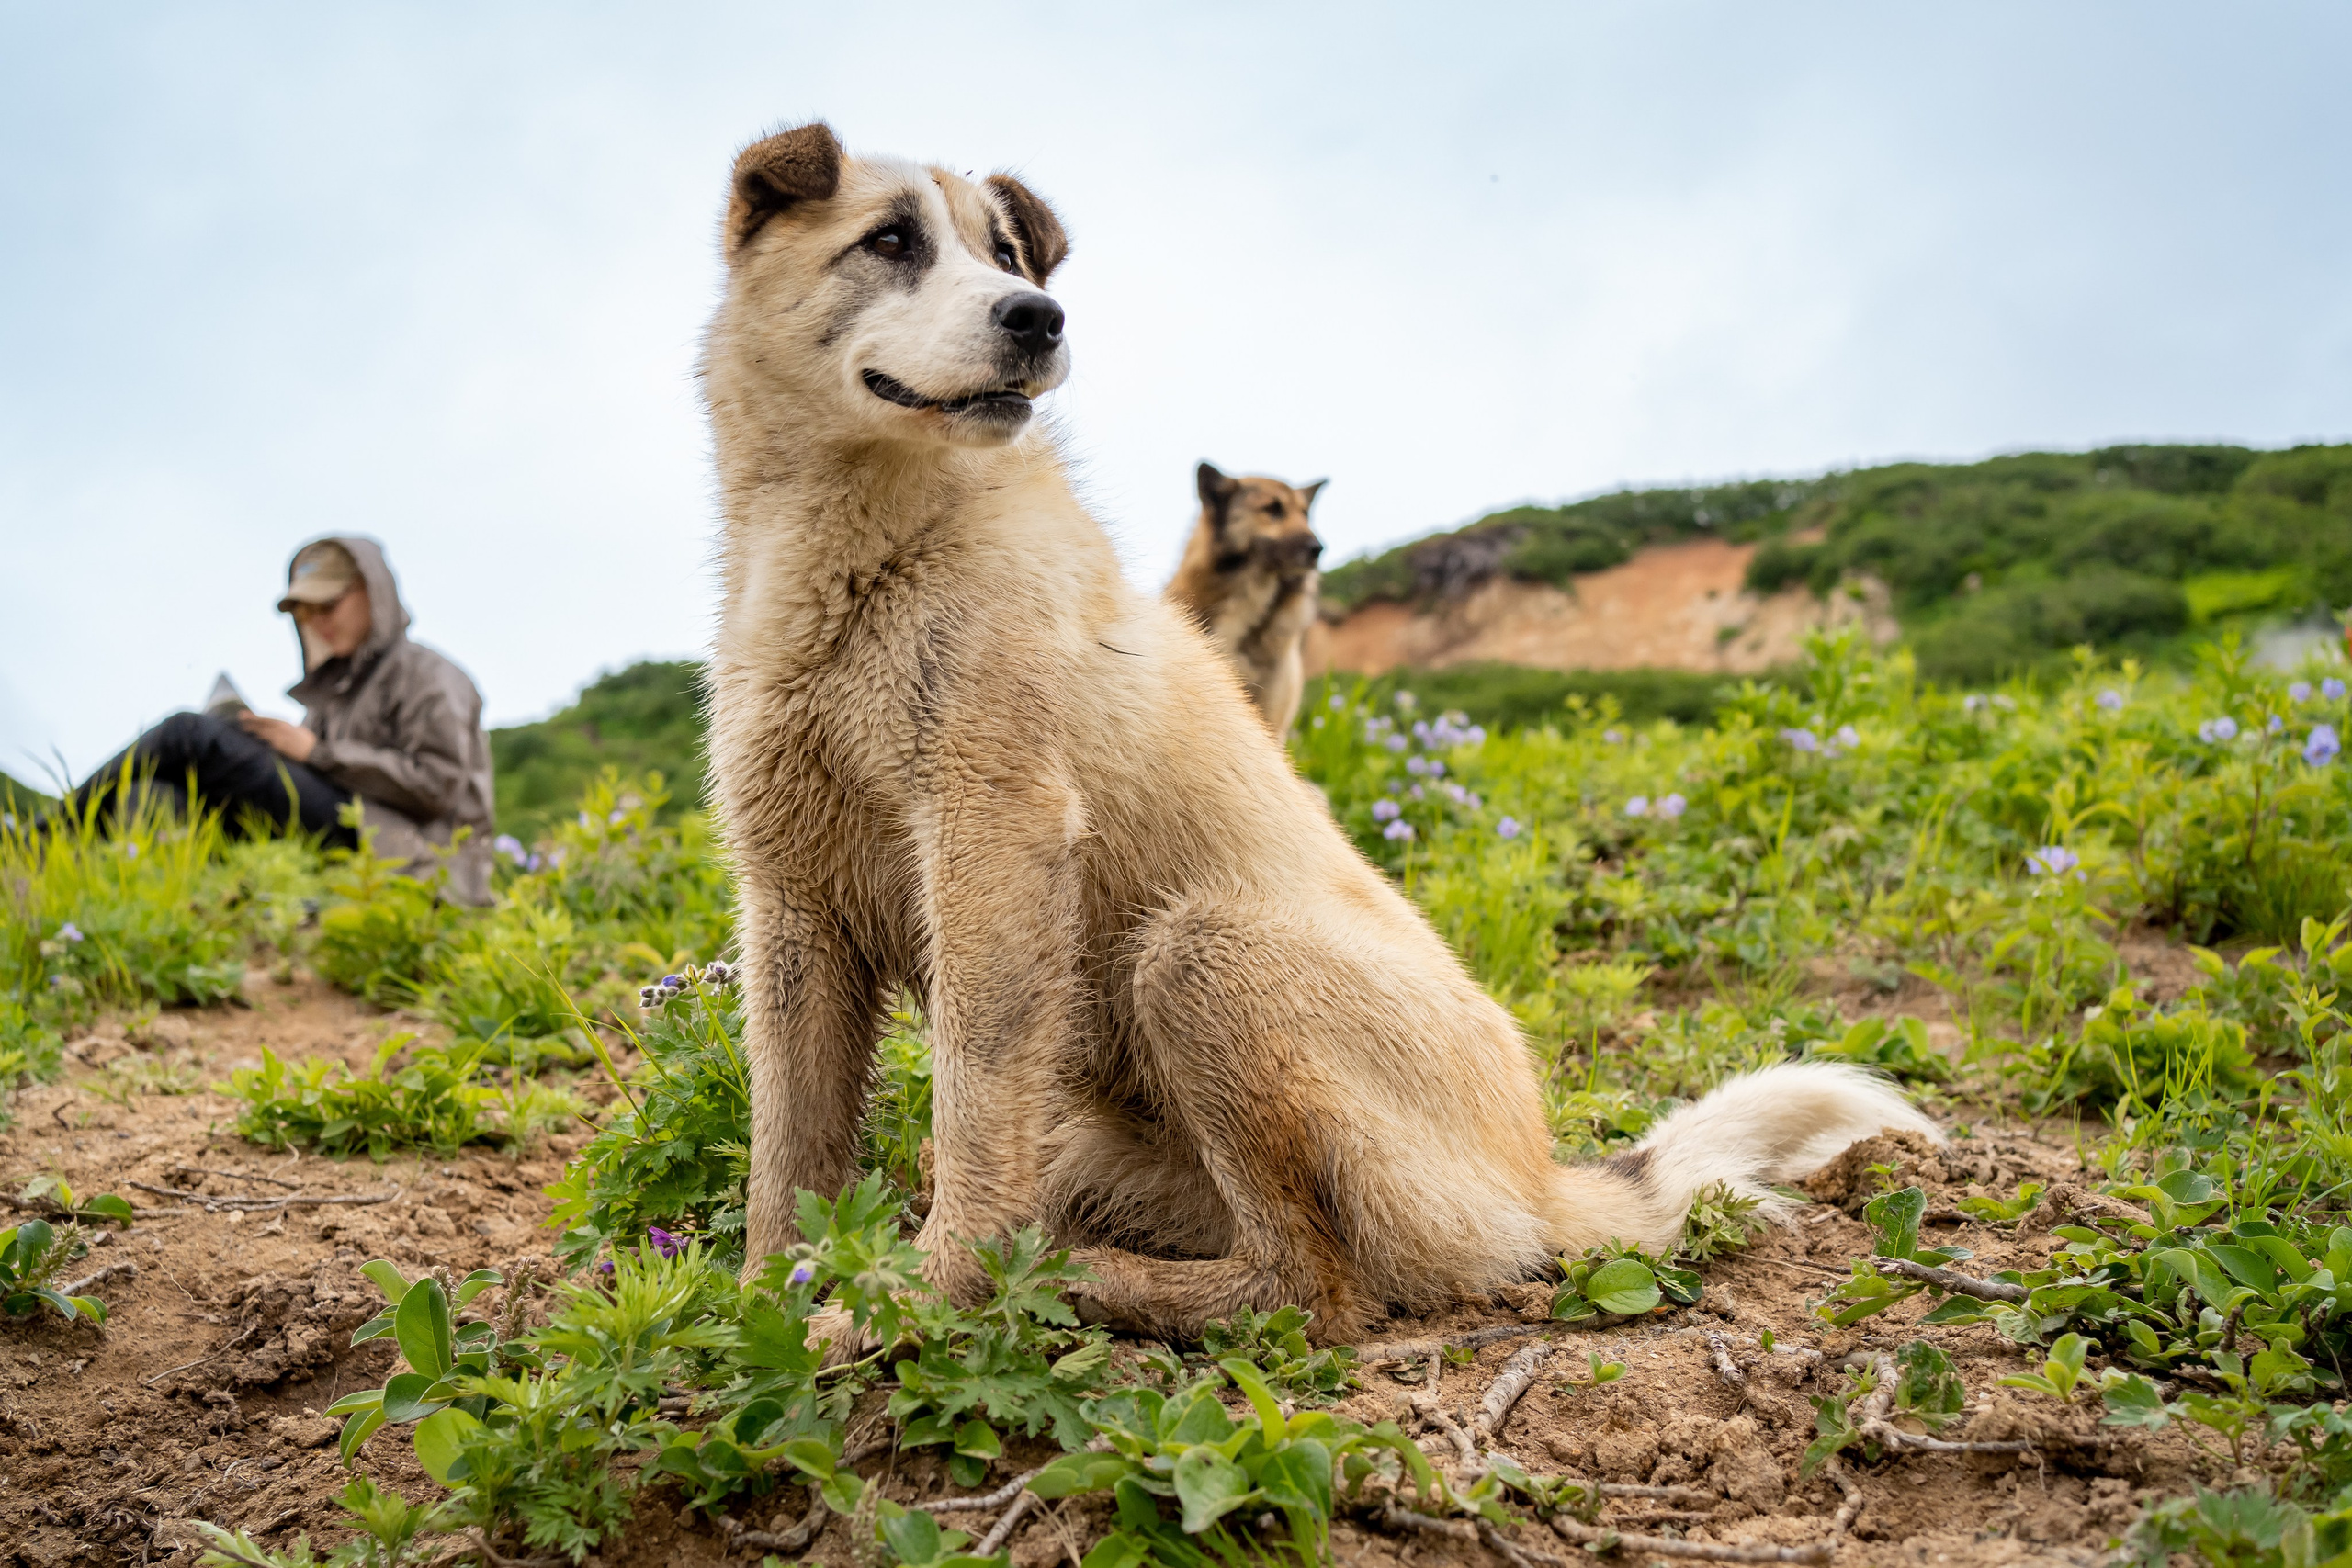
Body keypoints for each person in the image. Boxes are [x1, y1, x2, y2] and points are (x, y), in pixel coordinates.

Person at [66, 536, 497, 904]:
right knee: (159, 793)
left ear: (373, 593)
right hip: (348, 838)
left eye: (327, 605)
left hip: (406, 850)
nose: (317, 623)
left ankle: (41, 837)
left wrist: (316, 753)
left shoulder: (430, 675)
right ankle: (124, 893)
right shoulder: (335, 698)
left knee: (188, 733)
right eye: (305, 614)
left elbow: (436, 785)